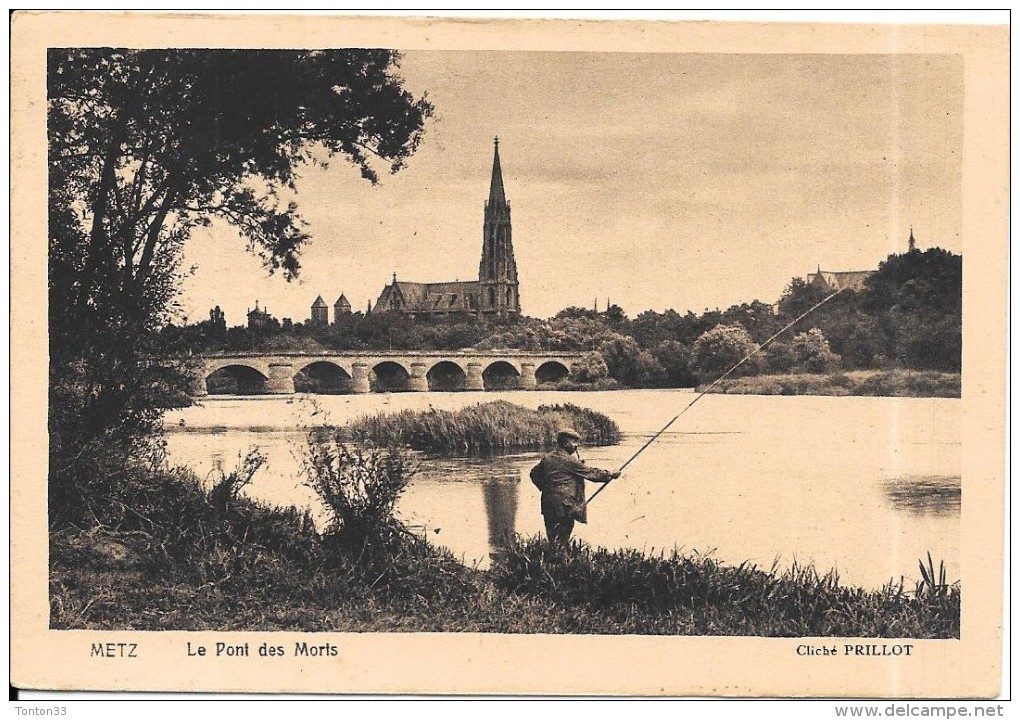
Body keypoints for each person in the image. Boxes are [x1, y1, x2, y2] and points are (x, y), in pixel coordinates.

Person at [530, 428, 621, 545]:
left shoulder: (547, 458)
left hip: (548, 504)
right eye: (574, 442)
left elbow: (533, 474)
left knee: (552, 537)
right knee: (563, 539)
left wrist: (546, 487)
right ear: (565, 443)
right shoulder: (570, 461)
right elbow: (592, 473)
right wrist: (611, 474)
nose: (576, 445)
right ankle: (560, 560)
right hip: (565, 506)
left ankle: (551, 559)